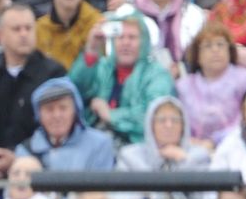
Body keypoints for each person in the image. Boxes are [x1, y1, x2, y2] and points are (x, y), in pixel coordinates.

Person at [0, 1, 63, 190]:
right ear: (0, 35)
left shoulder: (53, 74)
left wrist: (18, 156)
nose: (24, 34)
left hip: (35, 161)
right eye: (16, 29)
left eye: (28, 28)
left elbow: (55, 128)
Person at [70, 9, 174, 146]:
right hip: (93, 143)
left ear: (144, 42)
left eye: (132, 37)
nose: (125, 43)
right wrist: (92, 49)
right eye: (120, 37)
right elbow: (74, 91)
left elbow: (153, 115)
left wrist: (110, 115)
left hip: (138, 149)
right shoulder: (103, 67)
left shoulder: (157, 74)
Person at [114, 95, 213, 199]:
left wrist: (183, 160)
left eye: (175, 120)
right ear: (150, 125)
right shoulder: (131, 156)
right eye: (161, 120)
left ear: (184, 126)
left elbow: (206, 197)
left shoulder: (198, 156)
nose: (169, 125)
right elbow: (119, 197)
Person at [18, 70, 115, 168]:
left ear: (75, 111)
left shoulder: (99, 144)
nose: (57, 116)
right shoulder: (25, 150)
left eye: (63, 108)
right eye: (49, 109)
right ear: (39, 115)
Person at [178, 21, 246, 143]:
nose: (215, 50)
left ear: (230, 51)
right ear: (197, 55)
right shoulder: (183, 86)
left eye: (220, 44)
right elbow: (180, 123)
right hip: (194, 148)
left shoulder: (245, 79)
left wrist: (215, 141)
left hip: (237, 145)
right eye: (208, 46)